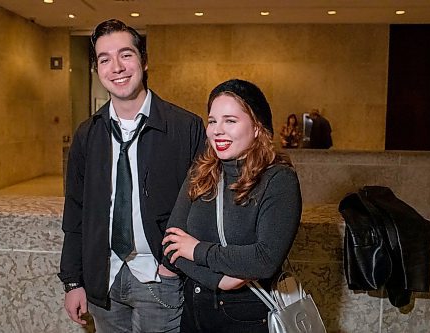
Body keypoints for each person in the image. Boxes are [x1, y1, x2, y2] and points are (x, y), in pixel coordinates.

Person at [58, 19, 206, 333]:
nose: (117, 67)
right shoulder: (87, 135)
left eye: (126, 55)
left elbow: (202, 205)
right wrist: (73, 281)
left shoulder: (185, 127)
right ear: (97, 70)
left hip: (160, 279)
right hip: (103, 280)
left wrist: (171, 267)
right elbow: (75, 213)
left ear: (143, 60)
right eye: (104, 59)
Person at [162, 79, 302, 332]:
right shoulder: (201, 172)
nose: (217, 130)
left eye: (230, 120)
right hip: (194, 312)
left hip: (248, 316)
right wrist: (221, 280)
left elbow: (264, 259)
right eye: (213, 120)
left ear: (258, 127)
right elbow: (171, 246)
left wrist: (196, 250)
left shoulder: (278, 180)